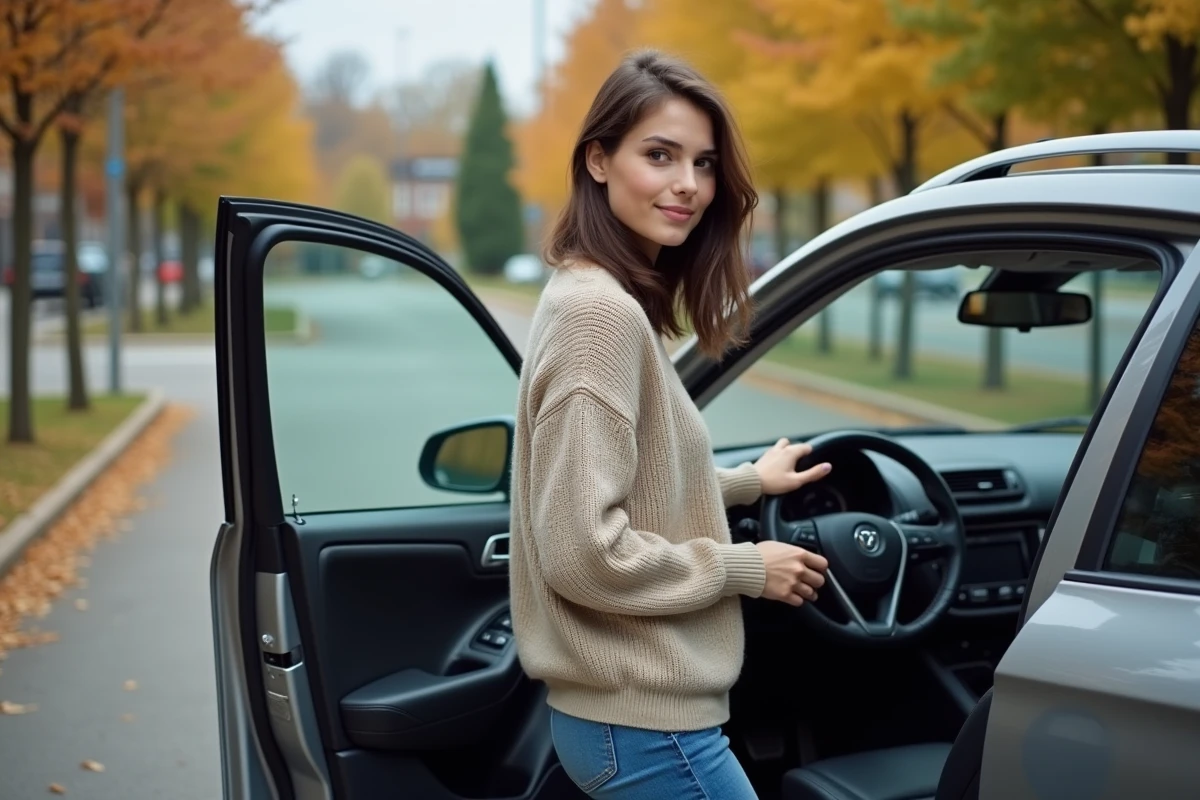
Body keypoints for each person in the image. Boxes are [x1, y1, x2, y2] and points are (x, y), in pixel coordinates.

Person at [508, 50, 832, 799]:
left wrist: (747, 483)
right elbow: (582, 551)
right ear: (598, 159)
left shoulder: (595, 296)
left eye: (704, 162)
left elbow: (633, 480)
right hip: (649, 731)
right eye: (660, 155)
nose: (688, 184)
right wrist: (747, 569)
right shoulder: (600, 317)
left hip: (629, 725)